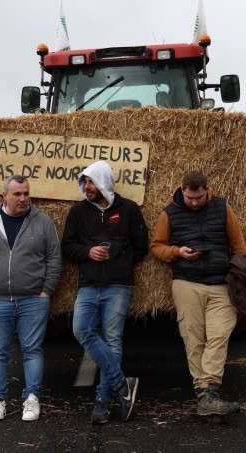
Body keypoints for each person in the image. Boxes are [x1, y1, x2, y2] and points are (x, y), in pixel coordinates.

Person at [150, 170, 246, 419]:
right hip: (186, 282)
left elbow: (239, 246)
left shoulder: (222, 208)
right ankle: (206, 397)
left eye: (199, 198)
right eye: (190, 198)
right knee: (193, 338)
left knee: (220, 334)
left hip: (220, 283)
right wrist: (177, 252)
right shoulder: (168, 212)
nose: (194, 202)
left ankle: (208, 393)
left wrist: (238, 276)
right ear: (182, 189)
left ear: (207, 189)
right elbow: (156, 247)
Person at [61, 161, 149, 424]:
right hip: (88, 285)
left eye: (91, 182)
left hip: (118, 285)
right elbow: (67, 246)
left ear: (103, 183)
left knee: (113, 340)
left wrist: (120, 262)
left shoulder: (129, 209)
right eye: (84, 182)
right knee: (81, 330)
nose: (87, 187)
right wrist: (88, 252)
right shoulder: (78, 212)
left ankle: (102, 401)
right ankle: (123, 386)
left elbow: (141, 245)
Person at [0, 175, 62, 422]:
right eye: (17, 194)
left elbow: (54, 259)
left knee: (32, 349)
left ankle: (31, 398)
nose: (23, 199)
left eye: (26, 194)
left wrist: (46, 293)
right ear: (5, 196)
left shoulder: (42, 222)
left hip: (33, 299)